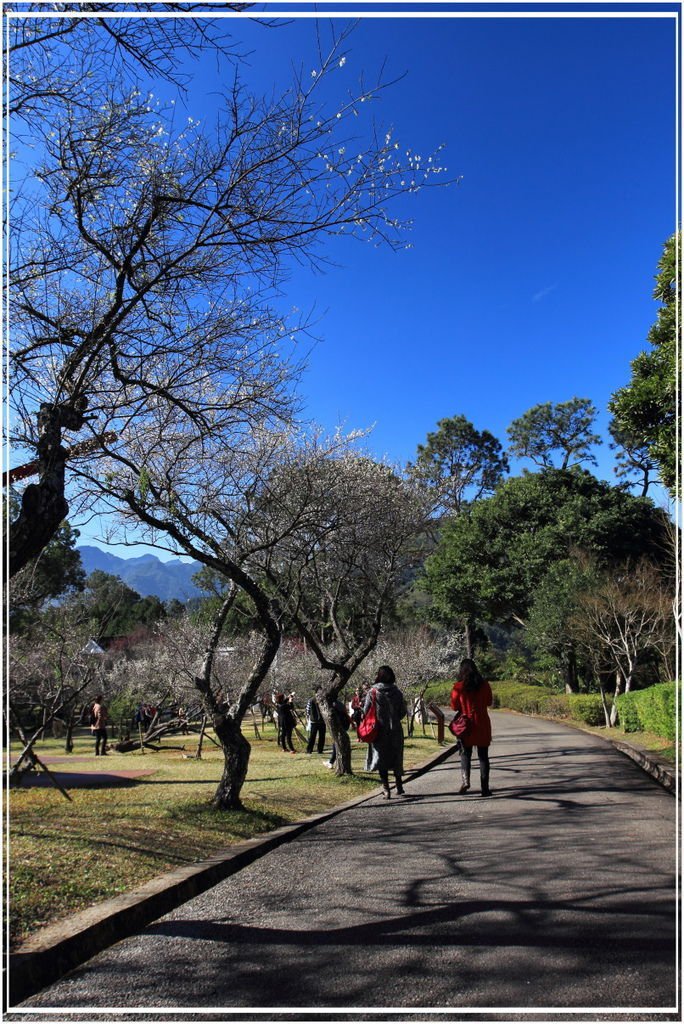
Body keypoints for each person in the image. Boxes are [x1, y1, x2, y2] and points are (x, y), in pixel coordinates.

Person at [450, 658, 493, 797]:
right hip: (482, 723)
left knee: (465, 754)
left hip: (466, 726)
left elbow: (454, 706)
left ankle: (466, 781)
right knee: (483, 757)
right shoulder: (485, 685)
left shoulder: (458, 687)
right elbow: (489, 702)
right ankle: (485, 789)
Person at [363, 666, 407, 798]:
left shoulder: (373, 692)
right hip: (395, 730)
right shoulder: (397, 692)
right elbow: (403, 712)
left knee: (381, 759)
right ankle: (399, 786)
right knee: (396, 757)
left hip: (379, 730)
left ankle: (386, 789)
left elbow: (366, 711)